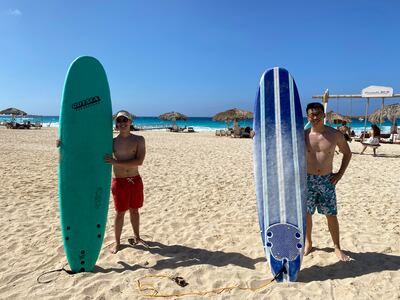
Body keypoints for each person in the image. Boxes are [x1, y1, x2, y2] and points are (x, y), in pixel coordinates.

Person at [304, 102, 352, 261]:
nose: (315, 117)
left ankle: (337, 247)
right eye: (312, 114)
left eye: (318, 114)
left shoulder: (335, 135)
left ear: (324, 115)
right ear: (308, 116)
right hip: (307, 179)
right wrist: (256, 133)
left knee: (331, 214)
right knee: (306, 214)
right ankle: (308, 242)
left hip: (327, 180)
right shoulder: (302, 135)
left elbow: (347, 153)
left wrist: (340, 174)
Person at [104, 110, 147, 253]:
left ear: (130, 122)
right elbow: (90, 148)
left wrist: (116, 162)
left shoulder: (139, 140)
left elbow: (139, 161)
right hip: (119, 181)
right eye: (119, 121)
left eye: (125, 120)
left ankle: (137, 237)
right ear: (116, 124)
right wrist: (63, 141)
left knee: (135, 210)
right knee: (120, 212)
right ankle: (117, 243)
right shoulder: (111, 142)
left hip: (135, 180)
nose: (122, 123)